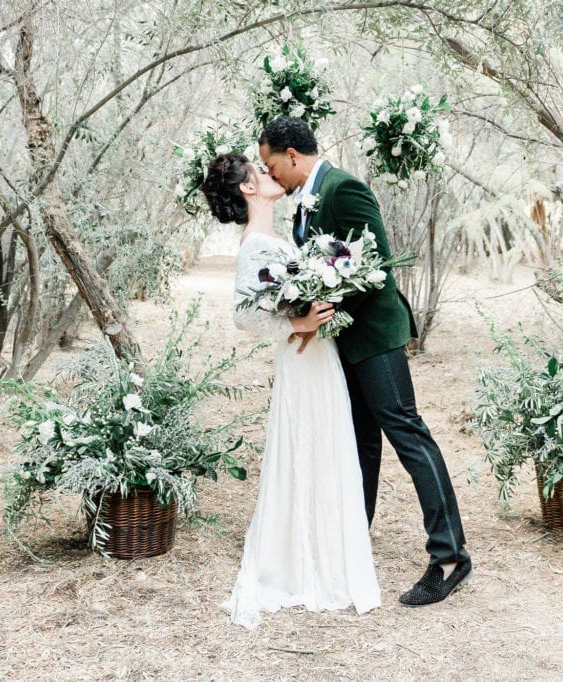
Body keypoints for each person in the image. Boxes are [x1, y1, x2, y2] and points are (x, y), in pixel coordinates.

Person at [258, 116, 471, 607]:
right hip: (342, 342)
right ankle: (354, 536)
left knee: (408, 435)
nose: (272, 176)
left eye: (272, 165)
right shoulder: (304, 204)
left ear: (293, 155)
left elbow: (373, 269)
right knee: (361, 445)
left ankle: (450, 556)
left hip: (374, 337)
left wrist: (322, 312)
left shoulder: (343, 187)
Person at [201, 153, 381, 630]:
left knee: (325, 447)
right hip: (302, 363)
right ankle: (302, 561)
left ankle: (326, 551)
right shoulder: (256, 243)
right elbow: (244, 315)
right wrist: (296, 322)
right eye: (260, 172)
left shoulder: (274, 237)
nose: (270, 174)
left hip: (317, 358)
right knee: (308, 447)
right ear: (247, 189)